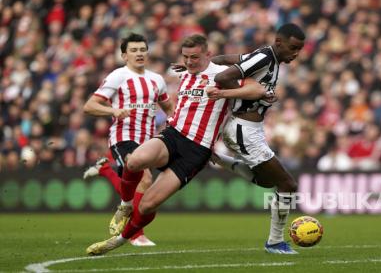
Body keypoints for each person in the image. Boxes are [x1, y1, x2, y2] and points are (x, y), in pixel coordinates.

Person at [86, 34, 267, 255]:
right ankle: (124, 206)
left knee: (147, 205)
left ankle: (119, 240)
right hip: (173, 134)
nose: (189, 62)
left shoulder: (221, 75)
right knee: (135, 162)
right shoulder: (185, 72)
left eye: (195, 57)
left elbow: (257, 90)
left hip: (197, 149)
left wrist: (223, 93)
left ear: (208, 54)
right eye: (186, 57)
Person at [209, 23, 306, 254]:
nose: (295, 54)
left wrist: (207, 63)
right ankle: (275, 242)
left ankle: (217, 159)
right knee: (288, 184)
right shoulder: (264, 56)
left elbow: (224, 59)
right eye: (293, 48)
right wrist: (251, 98)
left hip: (251, 129)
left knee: (265, 181)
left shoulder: (265, 57)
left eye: (299, 50)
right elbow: (223, 77)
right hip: (244, 128)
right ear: (279, 42)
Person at [83, 33, 174, 246]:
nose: (139, 53)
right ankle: (135, 234)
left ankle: (105, 169)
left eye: (142, 49)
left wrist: (174, 123)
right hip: (123, 137)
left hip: (148, 141)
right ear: (125, 56)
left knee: (136, 185)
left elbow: (169, 108)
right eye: (134, 50)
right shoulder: (118, 76)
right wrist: (113, 110)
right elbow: (89, 106)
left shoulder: (157, 79)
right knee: (145, 180)